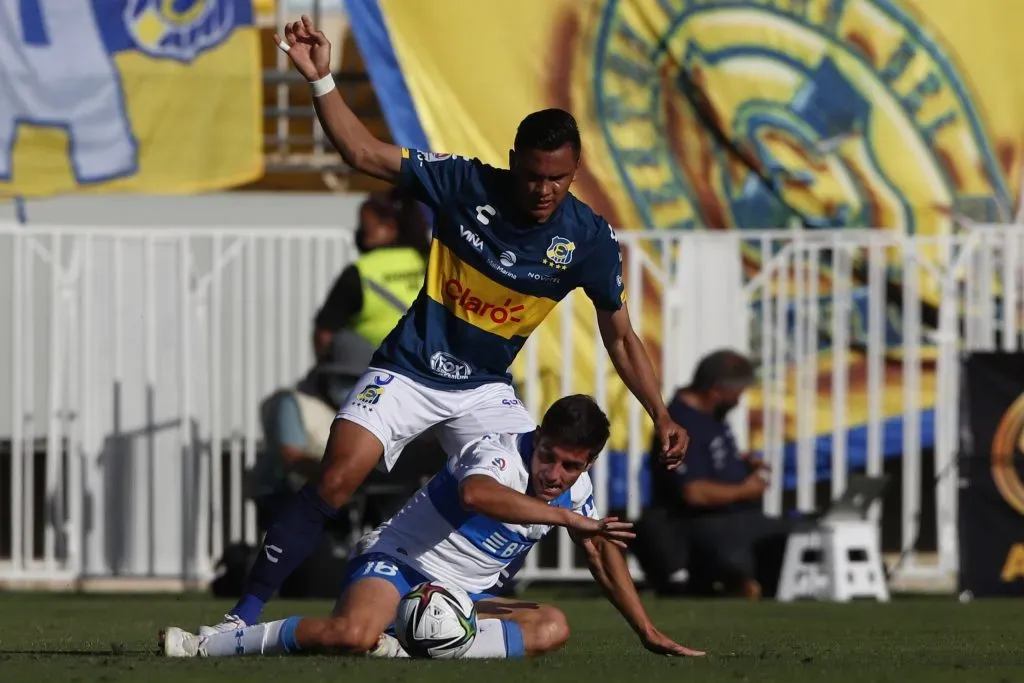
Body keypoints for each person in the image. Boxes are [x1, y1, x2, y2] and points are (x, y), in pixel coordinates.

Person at [199, 16, 690, 635]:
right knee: (337, 478)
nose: (543, 189)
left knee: (555, 483)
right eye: (533, 174)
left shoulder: (588, 238)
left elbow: (620, 335)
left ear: (574, 171)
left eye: (558, 178)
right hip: (408, 367)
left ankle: (446, 612)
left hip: (483, 387)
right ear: (514, 162)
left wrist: (661, 414)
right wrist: (322, 79)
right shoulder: (464, 183)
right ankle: (240, 618)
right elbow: (361, 152)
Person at [163, 396, 704, 659]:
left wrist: (646, 629)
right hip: (398, 562)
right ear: (535, 438)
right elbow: (477, 496)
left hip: (463, 597)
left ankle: (406, 642)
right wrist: (567, 516)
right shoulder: (497, 453)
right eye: (549, 457)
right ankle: (214, 645)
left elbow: (602, 560)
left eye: (571, 467)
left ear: (588, 463)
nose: (554, 474)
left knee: (554, 627)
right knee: (350, 636)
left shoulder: (577, 489)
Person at [640, 350, 792, 599]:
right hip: (699, 524)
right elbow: (694, 492)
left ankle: (751, 583)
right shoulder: (679, 422)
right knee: (747, 546)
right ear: (716, 391)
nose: (739, 400)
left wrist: (743, 464)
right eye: (737, 392)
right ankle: (735, 581)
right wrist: (746, 490)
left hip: (735, 517)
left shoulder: (712, 417)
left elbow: (711, 461)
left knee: (797, 534)